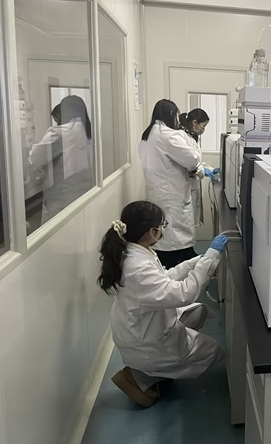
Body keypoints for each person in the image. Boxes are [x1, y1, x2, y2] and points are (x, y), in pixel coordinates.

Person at [98, 200, 229, 407]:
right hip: (145, 345)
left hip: (140, 328)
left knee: (198, 312)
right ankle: (143, 377)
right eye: (162, 226)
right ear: (152, 231)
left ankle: (151, 370)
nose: (163, 230)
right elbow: (184, 293)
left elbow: (164, 278)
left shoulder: (134, 251)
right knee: (213, 351)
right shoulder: (138, 267)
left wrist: (195, 262)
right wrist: (210, 258)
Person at [139, 100, 209, 268]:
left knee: (164, 238)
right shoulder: (168, 135)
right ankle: (181, 271)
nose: (178, 120)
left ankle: (174, 267)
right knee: (175, 240)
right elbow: (193, 159)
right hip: (173, 196)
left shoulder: (147, 136)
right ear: (171, 115)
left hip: (158, 194)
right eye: (177, 116)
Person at [30, 95, 93, 224]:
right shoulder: (86, 131)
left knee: (55, 231)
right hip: (82, 192)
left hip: (61, 197)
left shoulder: (60, 133)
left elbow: (35, 158)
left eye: (57, 118)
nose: (57, 122)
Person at [179, 108, 220, 231]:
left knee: (190, 224)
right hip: (185, 187)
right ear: (194, 122)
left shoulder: (192, 137)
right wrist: (202, 171)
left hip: (192, 184)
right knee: (186, 225)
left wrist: (209, 169)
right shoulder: (183, 137)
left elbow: (196, 161)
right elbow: (190, 163)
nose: (203, 129)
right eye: (203, 126)